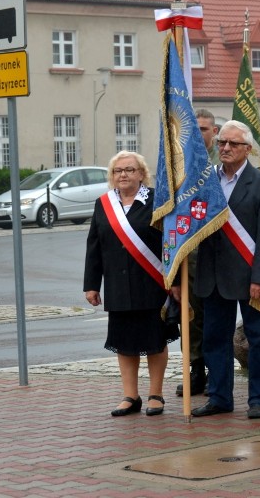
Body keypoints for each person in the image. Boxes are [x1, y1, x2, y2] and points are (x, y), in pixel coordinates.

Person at [190, 120, 260, 419]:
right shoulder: (205, 182)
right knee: (215, 339)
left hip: (250, 275)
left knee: (258, 339)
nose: (226, 148)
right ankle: (219, 397)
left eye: (233, 144)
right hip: (212, 276)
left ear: (248, 149)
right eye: (222, 143)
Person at [83, 151, 179, 417]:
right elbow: (95, 245)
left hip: (151, 283)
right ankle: (130, 395)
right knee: (124, 342)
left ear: (141, 174)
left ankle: (156, 395)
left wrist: (175, 279)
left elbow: (171, 242)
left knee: (154, 340)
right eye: (117, 171)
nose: (123, 175)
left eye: (129, 170)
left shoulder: (157, 200)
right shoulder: (104, 204)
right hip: (117, 284)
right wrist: (92, 284)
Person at [176, 108, 219, 398]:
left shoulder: (221, 161)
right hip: (190, 250)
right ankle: (195, 367)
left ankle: (217, 369)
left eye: (204, 129)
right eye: (195, 129)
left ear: (214, 132)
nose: (199, 134)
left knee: (215, 314)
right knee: (189, 314)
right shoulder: (181, 163)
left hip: (217, 249)